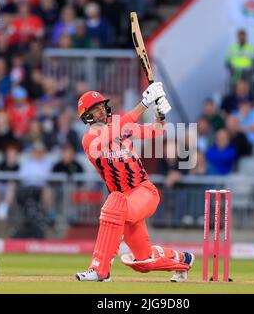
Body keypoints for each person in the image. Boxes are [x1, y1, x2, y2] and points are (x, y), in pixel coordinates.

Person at [75, 83, 195, 283]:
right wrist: (144, 103)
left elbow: (157, 132)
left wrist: (161, 114)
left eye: (102, 106)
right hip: (124, 202)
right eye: (95, 109)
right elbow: (116, 128)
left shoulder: (121, 129)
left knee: (113, 206)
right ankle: (183, 260)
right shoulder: (90, 140)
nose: (102, 111)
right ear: (86, 116)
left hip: (143, 192)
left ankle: (100, 270)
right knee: (143, 261)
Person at [0, 143, 20, 221]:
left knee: (11, 185)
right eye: (10, 153)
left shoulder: (18, 166)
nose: (11, 155)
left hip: (12, 188)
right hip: (0, 185)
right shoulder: (0, 164)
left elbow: (17, 180)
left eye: (13, 153)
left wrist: (11, 165)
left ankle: (3, 208)